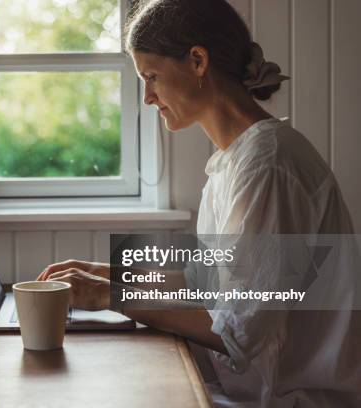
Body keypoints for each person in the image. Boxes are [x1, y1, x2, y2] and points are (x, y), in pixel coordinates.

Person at [37, 0, 360, 406]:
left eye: (151, 76)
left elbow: (236, 332)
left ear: (197, 61)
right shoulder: (234, 160)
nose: (148, 97)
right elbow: (204, 281)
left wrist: (112, 296)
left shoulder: (268, 165)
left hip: (289, 399)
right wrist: (106, 275)